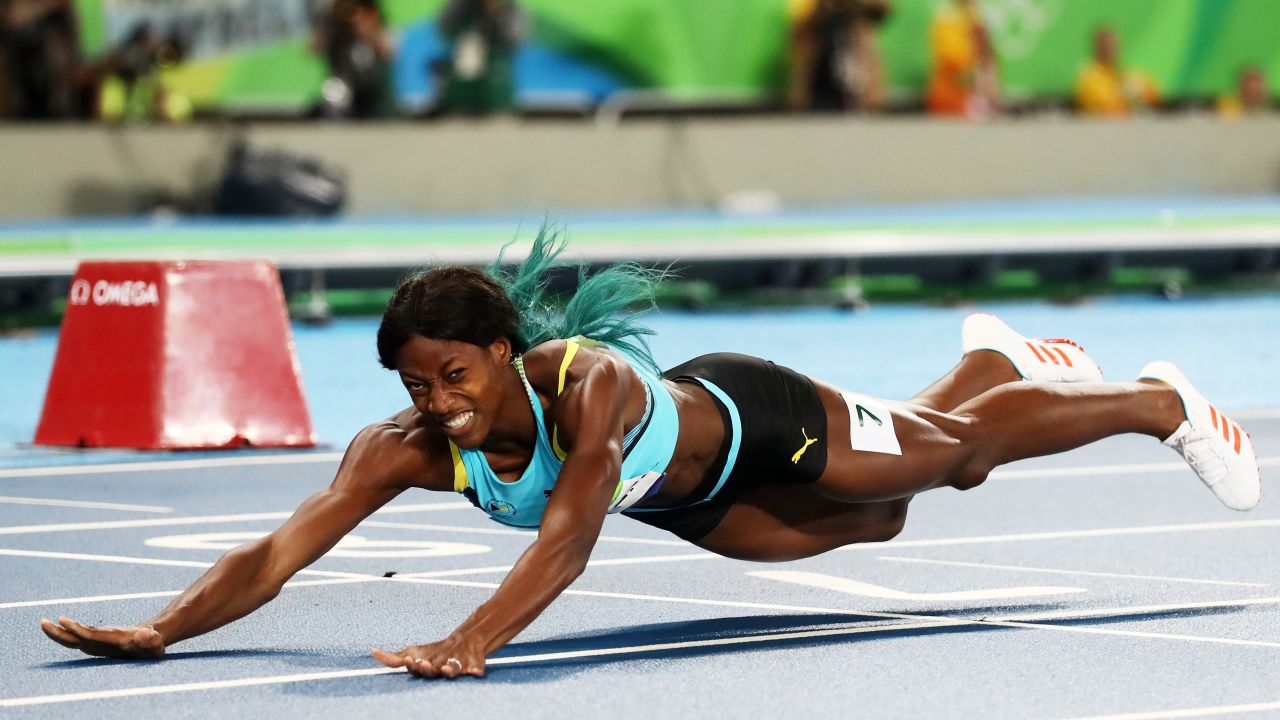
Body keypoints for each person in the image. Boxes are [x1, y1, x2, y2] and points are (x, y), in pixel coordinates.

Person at [40, 227, 1262, 678]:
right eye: (415, 385)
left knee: (951, 466)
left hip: (759, 416)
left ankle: (1156, 404)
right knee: (877, 527)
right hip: (692, 505)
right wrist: (163, 629)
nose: (439, 405)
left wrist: (471, 641)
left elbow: (569, 537)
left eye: (454, 377)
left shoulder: (595, 387)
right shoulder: (403, 445)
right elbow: (281, 547)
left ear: (509, 351)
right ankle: (989, 364)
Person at [786, 0, 891, 113]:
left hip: (858, 95)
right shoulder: (816, 16)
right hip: (819, 93)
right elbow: (799, 30)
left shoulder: (859, 24)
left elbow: (882, 10)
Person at [925, 0, 999, 118]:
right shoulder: (946, 18)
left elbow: (986, 56)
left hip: (971, 92)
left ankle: (985, 101)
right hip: (951, 93)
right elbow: (951, 59)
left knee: (988, 61)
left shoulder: (975, 18)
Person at [1075, 26, 1159, 117]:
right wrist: (1126, 99)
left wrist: (1143, 93)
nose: (1110, 50)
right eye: (1106, 46)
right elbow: (1102, 107)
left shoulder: (1126, 72)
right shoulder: (1089, 75)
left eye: (1113, 46)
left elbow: (1155, 99)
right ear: (1096, 47)